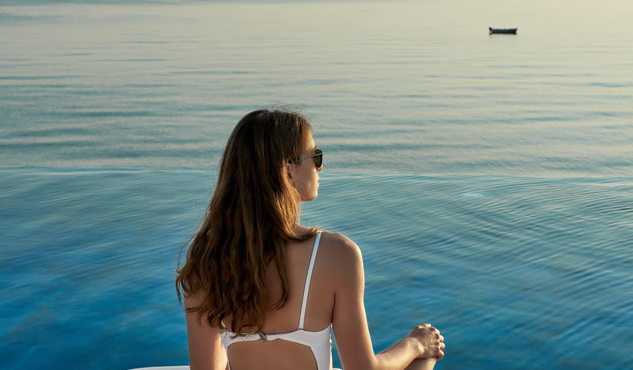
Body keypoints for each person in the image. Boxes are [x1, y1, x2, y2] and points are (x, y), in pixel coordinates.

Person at [176, 109, 445, 370]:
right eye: (315, 156)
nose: (321, 166)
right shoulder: (336, 253)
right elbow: (363, 369)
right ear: (288, 171)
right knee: (426, 353)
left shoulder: (205, 261)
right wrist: (415, 344)